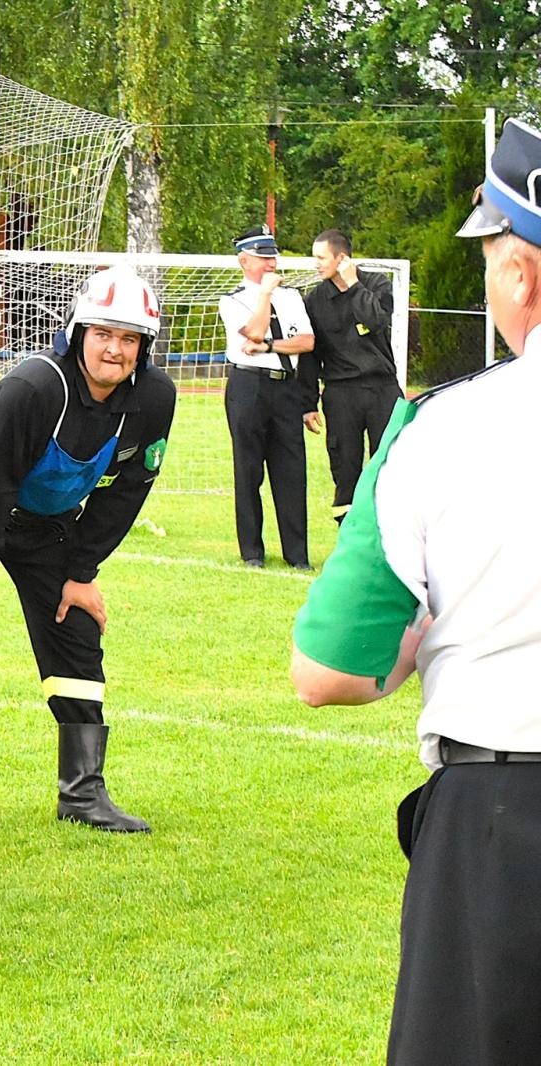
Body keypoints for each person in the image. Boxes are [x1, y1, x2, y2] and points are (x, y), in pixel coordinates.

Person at [291, 117, 541, 1066]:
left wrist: (420, 643)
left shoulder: (443, 426)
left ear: (519, 274)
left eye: (489, 256)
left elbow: (326, 670)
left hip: (501, 830)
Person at [0, 265, 176, 833]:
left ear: (143, 347)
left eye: (129, 339)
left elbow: (128, 491)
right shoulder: (33, 388)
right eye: (103, 334)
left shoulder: (154, 398)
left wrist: (81, 570)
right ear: (77, 332)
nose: (115, 350)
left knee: (77, 638)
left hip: (51, 530)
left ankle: (82, 792)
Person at [217, 225, 316, 570]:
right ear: (244, 260)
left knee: (291, 468)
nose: (271, 263)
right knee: (248, 469)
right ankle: (252, 552)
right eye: (262, 257)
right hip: (248, 386)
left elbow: (306, 342)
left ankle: (297, 554)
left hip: (285, 385)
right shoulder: (232, 301)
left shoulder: (291, 297)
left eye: (272, 255)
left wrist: (270, 346)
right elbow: (253, 332)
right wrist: (264, 297)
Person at [302, 229, 402, 523]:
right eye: (314, 258)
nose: (316, 264)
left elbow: (375, 321)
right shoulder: (315, 300)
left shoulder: (376, 285)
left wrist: (353, 286)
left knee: (388, 463)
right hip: (340, 393)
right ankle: (348, 530)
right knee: (345, 467)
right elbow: (310, 355)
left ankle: (390, 531)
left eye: (321, 258)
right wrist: (307, 403)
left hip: (382, 389)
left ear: (342, 257)